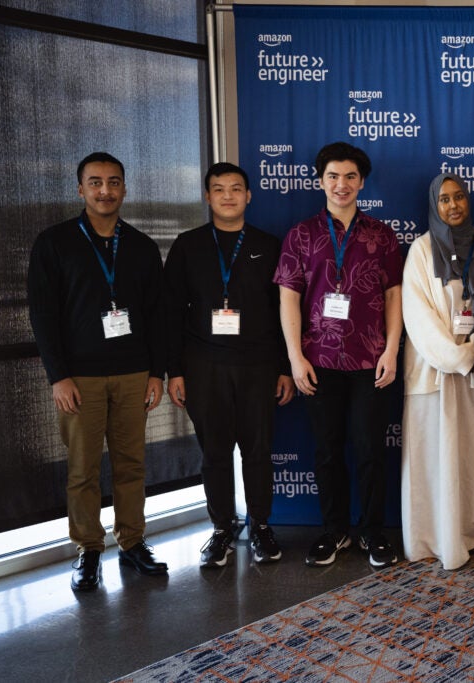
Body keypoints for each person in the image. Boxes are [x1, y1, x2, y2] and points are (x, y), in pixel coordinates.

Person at [27, 152, 168, 591]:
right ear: (80, 189)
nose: (104, 191)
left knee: (131, 465)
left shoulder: (142, 246)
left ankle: (132, 542)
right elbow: (43, 316)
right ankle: (88, 550)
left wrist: (156, 373)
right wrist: (58, 376)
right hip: (79, 379)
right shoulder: (54, 243)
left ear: (124, 188)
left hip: (133, 375)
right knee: (83, 469)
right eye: (95, 183)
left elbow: (158, 314)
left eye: (113, 182)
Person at [275, 142, 403, 569]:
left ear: (361, 182)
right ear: (320, 180)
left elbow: (394, 295)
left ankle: (372, 532)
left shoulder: (382, 234)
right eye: (333, 176)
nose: (341, 184)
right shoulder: (301, 234)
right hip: (318, 362)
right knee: (327, 451)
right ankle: (334, 532)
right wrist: (294, 357)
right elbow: (288, 299)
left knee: (369, 450)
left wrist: (392, 349)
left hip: (370, 362)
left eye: (350, 176)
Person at [164, 162, 295, 568]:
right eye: (218, 189)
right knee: (215, 452)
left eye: (236, 189)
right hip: (204, 365)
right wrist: (175, 371)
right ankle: (222, 528)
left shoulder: (269, 244)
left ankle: (260, 525)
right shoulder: (187, 245)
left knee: (258, 450)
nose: (227, 196)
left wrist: (285, 368)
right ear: (207, 196)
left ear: (249, 195)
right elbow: (169, 313)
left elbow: (283, 313)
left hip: (258, 365)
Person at [400, 173, 474, 569]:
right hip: (435, 372)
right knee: (434, 460)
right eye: (444, 199)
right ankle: (435, 538)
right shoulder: (421, 251)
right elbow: (418, 316)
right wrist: (458, 357)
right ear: (434, 205)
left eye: (459, 197)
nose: (454, 205)